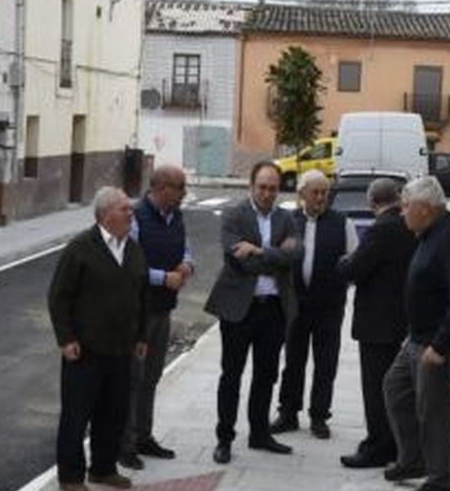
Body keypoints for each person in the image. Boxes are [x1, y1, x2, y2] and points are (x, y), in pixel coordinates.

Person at [382, 176, 450, 491]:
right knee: (396, 388)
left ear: (424, 209)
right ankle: (415, 459)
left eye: (405, 207)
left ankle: (443, 481)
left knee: (434, 410)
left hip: (440, 343)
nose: (402, 213)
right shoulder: (430, 232)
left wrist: (440, 346)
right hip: (419, 338)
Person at [47, 187, 149, 491]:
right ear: (106, 215)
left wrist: (141, 336)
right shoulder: (80, 248)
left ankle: (103, 468)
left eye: (131, 208)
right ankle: (70, 476)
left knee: (113, 413)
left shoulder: (133, 250)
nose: (131, 213)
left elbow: (142, 296)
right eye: (124, 209)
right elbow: (58, 297)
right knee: (76, 415)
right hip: (85, 350)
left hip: (121, 349)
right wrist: (66, 339)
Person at [204, 161, 302, 464]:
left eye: (273, 188)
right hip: (238, 308)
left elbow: (295, 256)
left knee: (266, 375)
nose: (267, 193)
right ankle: (224, 439)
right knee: (231, 375)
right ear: (251, 186)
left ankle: (259, 433)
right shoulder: (234, 214)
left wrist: (258, 250)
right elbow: (238, 260)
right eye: (262, 187)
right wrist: (277, 256)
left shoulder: (286, 218)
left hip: (273, 308)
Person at [335, 177, 416, 469]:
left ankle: (378, 446)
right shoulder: (408, 225)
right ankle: (395, 442)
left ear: (372, 203)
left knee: (376, 388)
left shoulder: (381, 229)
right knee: (396, 387)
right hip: (401, 319)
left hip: (377, 323)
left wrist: (343, 261)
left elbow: (354, 269)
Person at [270, 170, 357, 440]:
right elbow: (275, 257)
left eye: (324, 193)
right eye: (315, 192)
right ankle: (288, 413)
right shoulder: (288, 221)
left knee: (325, 362)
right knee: (293, 360)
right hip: (295, 305)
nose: (320, 198)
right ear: (302, 194)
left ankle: (319, 415)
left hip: (329, 306)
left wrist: (340, 284)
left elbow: (354, 259)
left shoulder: (342, 222)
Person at [119, 164, 194, 471]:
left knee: (151, 377)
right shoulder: (136, 218)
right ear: (161, 188)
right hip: (139, 313)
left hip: (163, 309)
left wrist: (187, 265)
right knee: (132, 379)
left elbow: (186, 249)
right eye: (180, 188)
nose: (184, 193)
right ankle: (124, 444)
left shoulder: (177, 217)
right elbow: (130, 266)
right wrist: (165, 278)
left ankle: (143, 436)